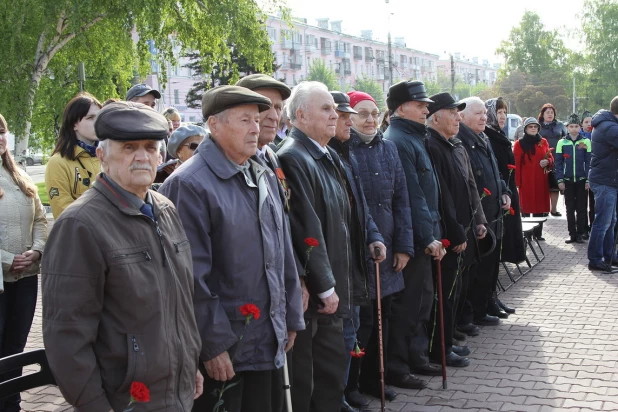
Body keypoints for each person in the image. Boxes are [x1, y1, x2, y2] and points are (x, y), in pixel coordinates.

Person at [42, 101, 203, 411]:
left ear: (160, 155)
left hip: (176, 394)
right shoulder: (80, 225)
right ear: (102, 154)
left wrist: (189, 363)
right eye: (128, 147)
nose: (141, 156)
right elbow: (67, 339)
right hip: (125, 400)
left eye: (149, 147)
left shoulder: (166, 208)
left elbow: (180, 302)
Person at [159, 85, 305, 412]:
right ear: (214, 124)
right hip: (229, 346)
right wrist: (212, 345)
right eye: (244, 120)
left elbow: (282, 252)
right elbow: (190, 278)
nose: (257, 127)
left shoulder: (262, 171)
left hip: (267, 334)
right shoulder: (189, 184)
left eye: (257, 118)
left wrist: (290, 316)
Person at [277, 81, 386, 412]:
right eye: (325, 109)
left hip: (341, 280)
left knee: (332, 369)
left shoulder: (324, 155)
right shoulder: (295, 157)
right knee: (320, 374)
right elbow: (307, 228)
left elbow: (346, 218)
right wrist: (324, 284)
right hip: (323, 294)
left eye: (334, 109)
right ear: (299, 115)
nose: (335, 115)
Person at [326, 91, 394, 410]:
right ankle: (343, 392)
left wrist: (374, 236)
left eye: (343, 115)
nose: (344, 121)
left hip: (361, 256)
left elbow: (361, 206)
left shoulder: (344, 153)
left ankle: (352, 387)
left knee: (359, 326)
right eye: (343, 115)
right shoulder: (332, 153)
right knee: (343, 332)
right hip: (339, 264)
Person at [383, 81, 447, 384]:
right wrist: (426, 237)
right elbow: (412, 195)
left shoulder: (413, 137)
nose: (426, 109)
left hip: (424, 234)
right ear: (400, 108)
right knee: (408, 306)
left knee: (422, 302)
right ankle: (398, 366)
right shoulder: (397, 139)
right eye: (420, 105)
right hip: (415, 238)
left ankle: (417, 357)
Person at [426, 92, 487, 368]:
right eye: (452, 112)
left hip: (460, 229)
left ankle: (448, 341)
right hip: (448, 234)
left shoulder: (450, 144)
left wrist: (474, 222)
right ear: (436, 116)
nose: (457, 117)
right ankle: (440, 348)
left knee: (454, 291)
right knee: (445, 294)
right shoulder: (433, 145)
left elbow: (466, 187)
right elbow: (443, 196)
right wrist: (456, 231)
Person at [0, 114, 47, 412]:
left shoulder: (19, 174)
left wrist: (37, 251)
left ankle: (10, 404)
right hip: (2, 279)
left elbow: (41, 219)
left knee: (15, 348)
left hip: (26, 278)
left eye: (2, 131)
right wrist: (7, 260)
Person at [457, 97, 511, 324]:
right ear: (462, 116)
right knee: (476, 269)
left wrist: (505, 191)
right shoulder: (461, 141)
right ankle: (476, 312)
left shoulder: (484, 138)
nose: (484, 117)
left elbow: (495, 172)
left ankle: (487, 302)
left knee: (490, 266)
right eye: (478, 113)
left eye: (484, 113)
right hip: (479, 215)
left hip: (494, 211)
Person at [483, 97, 524, 315]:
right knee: (493, 252)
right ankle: (488, 299)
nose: (501, 115)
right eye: (498, 111)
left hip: (505, 193)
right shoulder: (486, 137)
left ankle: (493, 298)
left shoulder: (496, 136)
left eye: (504, 111)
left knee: (499, 249)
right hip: (495, 198)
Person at [45, 92, 102, 219]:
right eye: (90, 118)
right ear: (74, 124)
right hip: (80, 235)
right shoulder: (58, 162)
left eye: (99, 117)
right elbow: (63, 211)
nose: (97, 123)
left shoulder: (109, 157)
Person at [235, 73, 291, 170]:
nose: (274, 116)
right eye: (265, 106)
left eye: (278, 108)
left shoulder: (272, 156)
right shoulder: (231, 160)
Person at [587, 98, 618, 272]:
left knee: (610, 221)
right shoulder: (610, 128)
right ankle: (596, 259)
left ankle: (609, 255)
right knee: (603, 222)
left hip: (607, 179)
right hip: (606, 180)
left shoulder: (608, 124)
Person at [513, 117, 553, 240]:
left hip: (541, 179)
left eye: (535, 127)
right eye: (530, 127)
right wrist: (517, 182)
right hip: (527, 180)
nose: (533, 129)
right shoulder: (519, 144)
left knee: (539, 207)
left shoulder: (543, 141)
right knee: (526, 207)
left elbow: (550, 157)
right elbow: (516, 163)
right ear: (525, 129)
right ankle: (527, 234)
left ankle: (538, 234)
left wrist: (548, 161)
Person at [555, 114, 592, 244]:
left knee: (582, 208)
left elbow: (589, 162)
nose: (574, 129)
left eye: (576, 126)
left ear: (580, 127)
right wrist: (560, 180)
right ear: (567, 127)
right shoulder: (562, 142)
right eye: (571, 126)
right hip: (568, 180)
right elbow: (558, 163)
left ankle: (581, 233)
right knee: (569, 208)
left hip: (582, 180)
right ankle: (572, 234)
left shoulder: (585, 142)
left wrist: (588, 179)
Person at [538, 103, 567, 216]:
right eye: (547, 112)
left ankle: (553, 209)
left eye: (552, 112)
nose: (550, 114)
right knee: (543, 185)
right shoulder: (538, 125)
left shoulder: (560, 125)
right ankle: (544, 209)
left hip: (558, 156)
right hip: (542, 158)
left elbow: (565, 138)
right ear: (542, 114)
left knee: (555, 184)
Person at [581, 110, 595, 231]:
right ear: (582, 124)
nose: (588, 124)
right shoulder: (578, 137)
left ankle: (593, 225)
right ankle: (583, 226)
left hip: (594, 172)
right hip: (581, 173)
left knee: (593, 203)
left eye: (591, 121)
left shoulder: (597, 134)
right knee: (582, 203)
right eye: (586, 122)